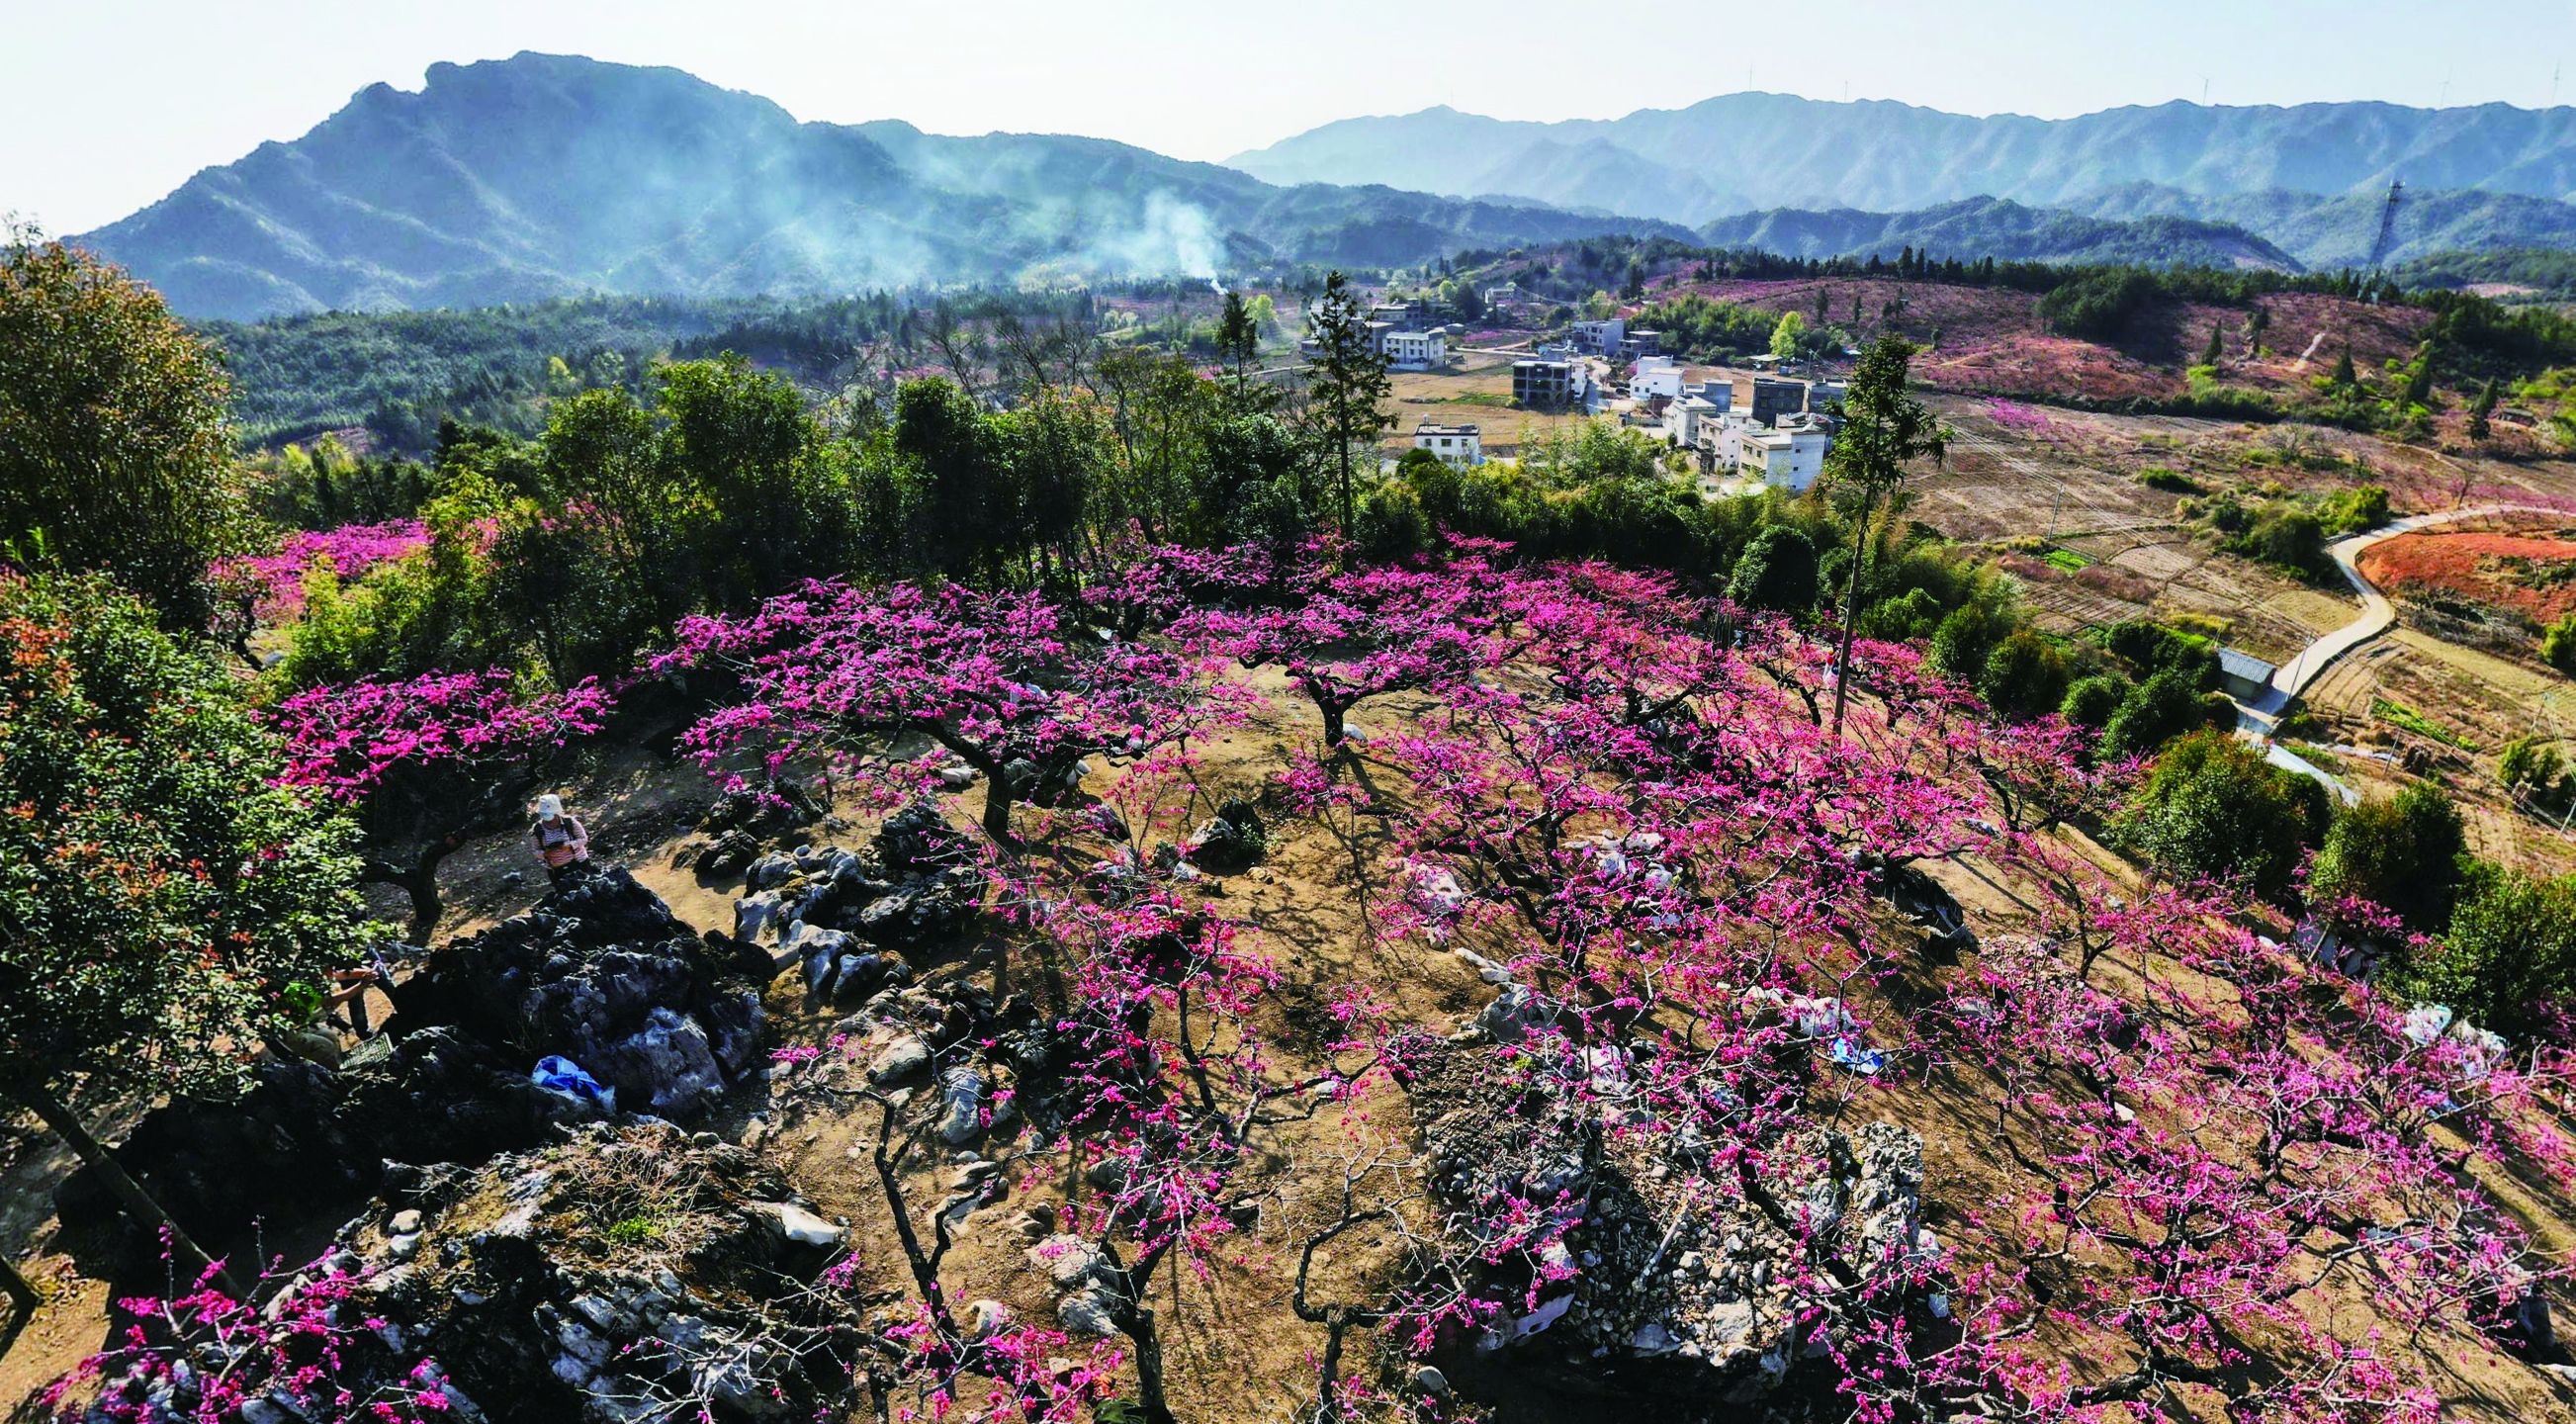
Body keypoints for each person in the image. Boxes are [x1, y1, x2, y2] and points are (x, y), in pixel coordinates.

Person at [532, 793, 591, 886]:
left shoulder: (570, 822)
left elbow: (583, 839)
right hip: (556, 870)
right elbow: (536, 850)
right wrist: (545, 853)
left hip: (579, 863)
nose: (549, 821)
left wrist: (569, 845)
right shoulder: (537, 829)